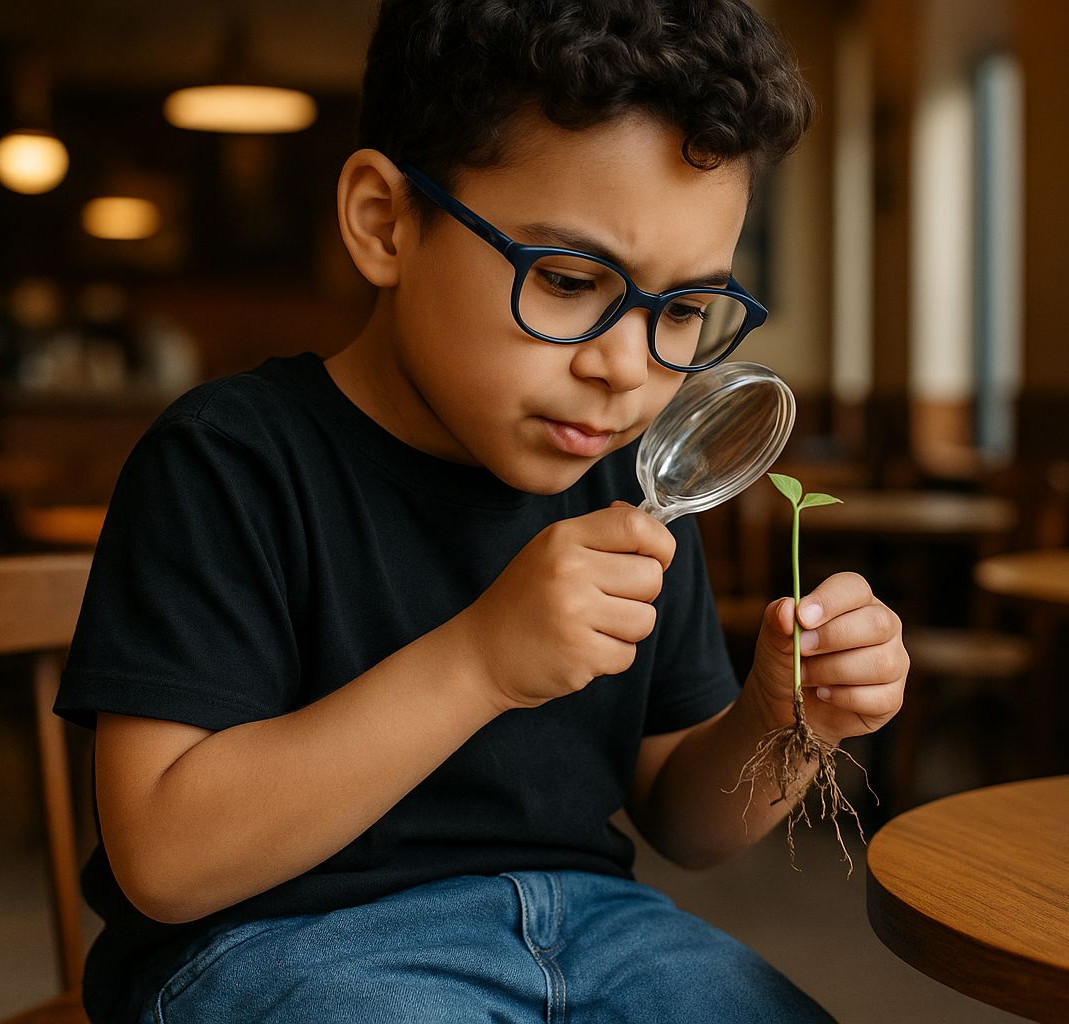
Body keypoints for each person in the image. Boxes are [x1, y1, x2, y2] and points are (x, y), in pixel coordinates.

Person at [54, 1, 909, 1021]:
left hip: (596, 930)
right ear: (385, 222)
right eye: (567, 279)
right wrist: (481, 661)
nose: (625, 368)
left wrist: (784, 717)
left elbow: (683, 816)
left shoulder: (630, 477)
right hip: (287, 946)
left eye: (681, 311)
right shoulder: (231, 461)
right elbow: (164, 857)